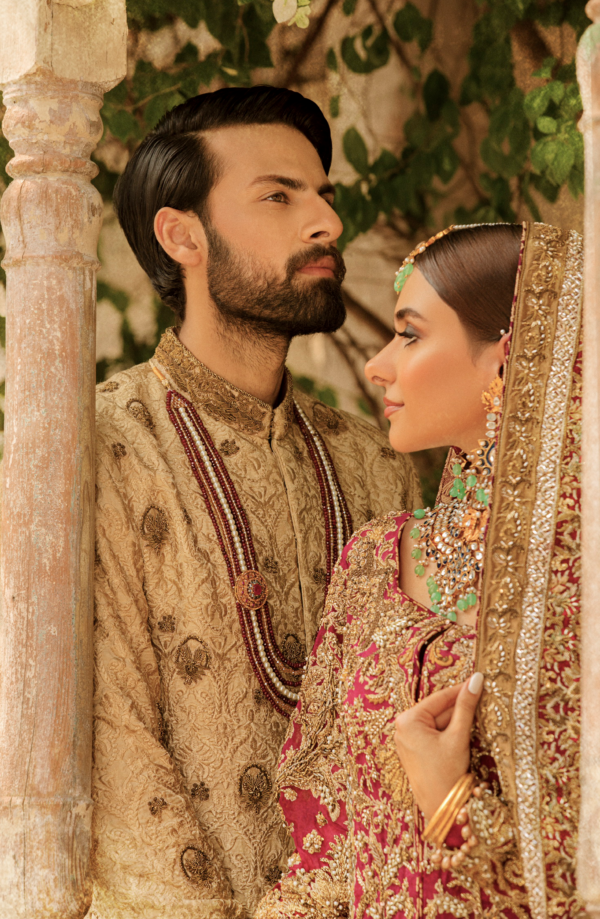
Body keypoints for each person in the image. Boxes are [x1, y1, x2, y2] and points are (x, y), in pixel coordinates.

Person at [90, 86, 420, 919]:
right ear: (182, 235)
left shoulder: (376, 463)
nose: (326, 224)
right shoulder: (103, 443)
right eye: (279, 196)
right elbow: (108, 738)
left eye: (324, 196)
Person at [255, 221, 583, 919]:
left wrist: (453, 804)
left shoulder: (580, 588)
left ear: (508, 355)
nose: (378, 365)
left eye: (409, 334)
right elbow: (323, 851)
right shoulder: (374, 559)